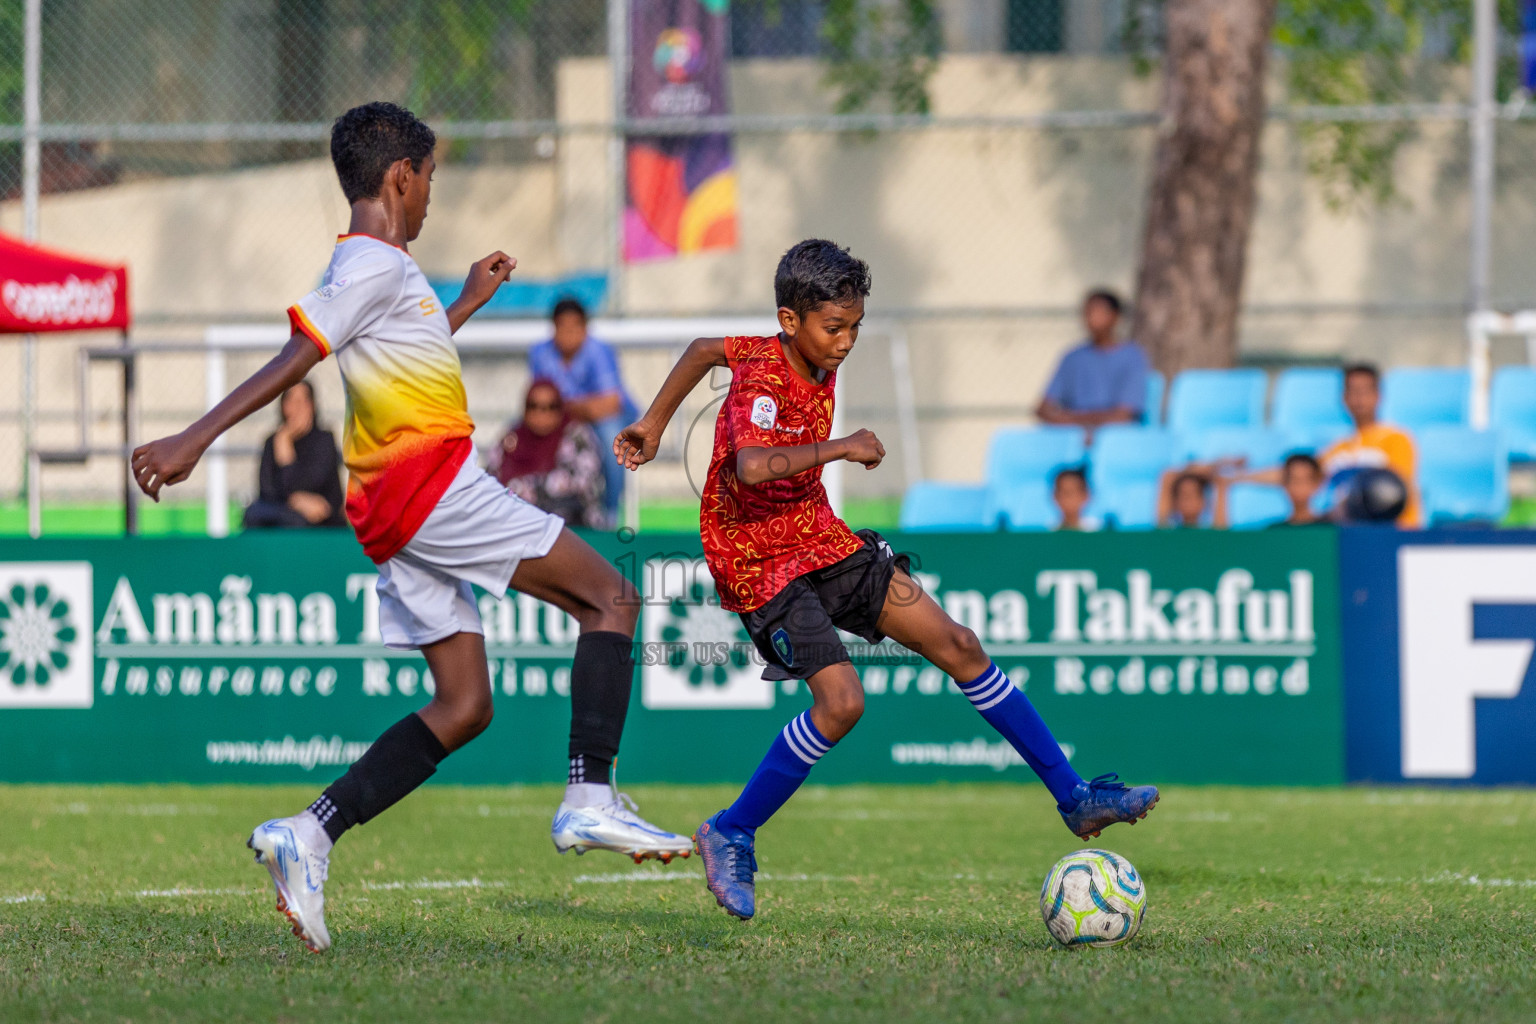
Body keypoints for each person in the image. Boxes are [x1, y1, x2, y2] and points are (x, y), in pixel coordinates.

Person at [129, 102, 690, 954]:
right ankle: (590, 797)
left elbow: (397, 353)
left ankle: (309, 834)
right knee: (611, 598)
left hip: (397, 514)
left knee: (465, 705)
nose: (431, 195)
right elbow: (298, 357)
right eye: (430, 178)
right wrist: (192, 439)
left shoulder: (391, 273)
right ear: (401, 177)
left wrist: (464, 301)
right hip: (434, 492)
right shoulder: (369, 269)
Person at [614, 239, 1158, 921]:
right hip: (755, 559)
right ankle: (732, 827)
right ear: (791, 321)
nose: (845, 343)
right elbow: (751, 468)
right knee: (841, 704)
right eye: (833, 328)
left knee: (958, 644)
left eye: (855, 327)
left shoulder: (776, 345)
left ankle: (1074, 798)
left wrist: (652, 424)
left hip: (819, 535)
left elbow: (700, 349)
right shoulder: (762, 378)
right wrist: (843, 445)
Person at [529, 297, 639, 521]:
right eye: (563, 327)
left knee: (613, 440)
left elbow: (610, 404)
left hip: (607, 419)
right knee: (525, 432)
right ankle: (538, 509)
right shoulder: (540, 353)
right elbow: (538, 402)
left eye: (574, 327)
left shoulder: (599, 351)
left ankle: (609, 514)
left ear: (585, 328)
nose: (569, 334)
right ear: (554, 328)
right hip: (567, 420)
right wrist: (577, 409)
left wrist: (567, 408)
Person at [491, 379, 610, 529]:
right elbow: (491, 478)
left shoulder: (576, 436)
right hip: (518, 526)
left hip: (572, 526)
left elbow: (581, 483)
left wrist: (521, 487)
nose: (541, 414)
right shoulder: (512, 438)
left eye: (550, 407)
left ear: (560, 408)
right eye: (533, 406)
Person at [1035, 290, 1150, 433]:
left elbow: (1123, 416)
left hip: (1114, 437)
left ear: (1115, 316)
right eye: (1087, 312)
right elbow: (1043, 409)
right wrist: (1076, 425)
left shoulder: (1132, 356)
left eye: (1098, 312)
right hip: (1071, 435)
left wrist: (1073, 421)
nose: (1091, 318)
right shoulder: (1072, 357)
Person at [1320, 363, 1419, 527]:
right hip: (1350, 537)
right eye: (1353, 391)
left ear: (1378, 395)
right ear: (1344, 397)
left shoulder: (1397, 439)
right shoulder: (1337, 449)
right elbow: (1302, 475)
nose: (1359, 398)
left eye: (1365, 391)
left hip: (1392, 533)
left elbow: (1394, 495)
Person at [242, 380, 346, 529]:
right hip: (282, 511)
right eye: (291, 400)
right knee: (253, 514)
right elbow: (266, 490)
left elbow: (311, 483)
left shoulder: (324, 440)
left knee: (297, 521)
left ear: (312, 406)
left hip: (321, 519)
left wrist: (286, 456)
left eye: (303, 401)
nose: (297, 408)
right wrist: (295, 500)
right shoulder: (273, 441)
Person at [1227, 452, 1327, 527]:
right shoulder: (1274, 530)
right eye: (1292, 480)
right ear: (1283, 483)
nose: (1298, 487)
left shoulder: (1329, 526)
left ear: (1317, 484)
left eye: (1304, 481)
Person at [1051, 466, 1099, 531]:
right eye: (1063, 492)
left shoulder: (1097, 530)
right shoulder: (1048, 532)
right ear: (1055, 496)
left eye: (1071, 492)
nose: (1067, 498)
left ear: (1086, 495)